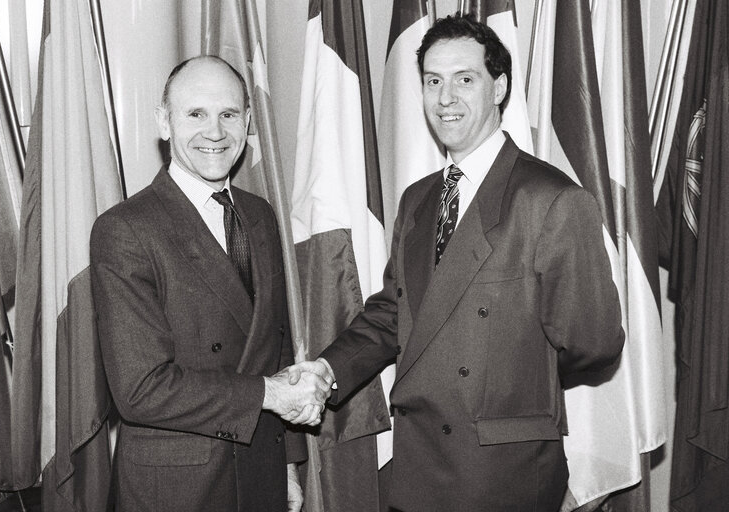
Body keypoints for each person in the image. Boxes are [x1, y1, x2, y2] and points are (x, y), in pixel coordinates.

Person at [289, 14, 625, 511]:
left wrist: (515, 382)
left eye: (464, 80)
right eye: (433, 81)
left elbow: (594, 343)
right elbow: (394, 315)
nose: (445, 98)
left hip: (501, 473)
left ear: (499, 88)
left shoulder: (551, 199)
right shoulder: (418, 201)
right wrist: (326, 369)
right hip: (418, 469)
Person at [90, 56, 329, 512]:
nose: (214, 132)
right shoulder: (125, 229)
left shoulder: (259, 215)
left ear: (247, 121)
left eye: (229, 114)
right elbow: (141, 389)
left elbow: (271, 346)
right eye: (195, 114)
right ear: (164, 121)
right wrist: (273, 395)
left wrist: (286, 465)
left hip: (259, 471)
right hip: (178, 489)